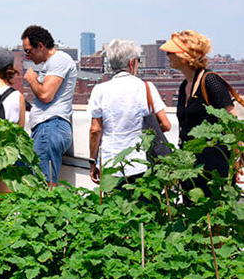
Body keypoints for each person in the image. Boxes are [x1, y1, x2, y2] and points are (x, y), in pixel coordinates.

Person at [160, 30, 240, 195]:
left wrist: (237, 160)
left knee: (214, 214)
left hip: (215, 167)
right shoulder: (184, 86)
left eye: (171, 51)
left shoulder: (211, 81)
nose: (167, 55)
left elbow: (232, 122)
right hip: (191, 167)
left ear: (185, 55)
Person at [88, 39, 170, 185]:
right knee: (143, 205)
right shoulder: (146, 88)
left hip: (111, 161)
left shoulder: (99, 90)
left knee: (114, 205)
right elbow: (166, 124)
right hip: (141, 161)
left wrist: (93, 162)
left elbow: (95, 130)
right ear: (132, 62)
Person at [21, 25, 77, 186]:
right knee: (38, 179)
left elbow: (46, 95)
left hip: (50, 126)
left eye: (29, 51)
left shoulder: (59, 59)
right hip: (47, 128)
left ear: (40, 46)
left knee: (44, 185)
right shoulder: (52, 63)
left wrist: (32, 80)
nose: (28, 57)